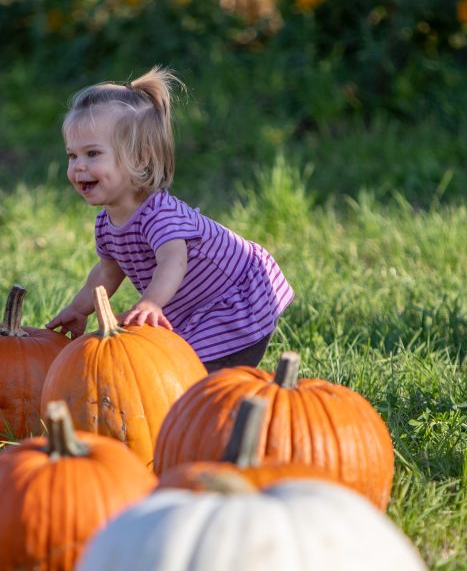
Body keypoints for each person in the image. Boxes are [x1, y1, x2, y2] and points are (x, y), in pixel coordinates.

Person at [46, 66, 294, 373]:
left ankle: (243, 407)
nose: (79, 167)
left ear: (141, 158)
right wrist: (78, 309)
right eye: (73, 156)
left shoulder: (159, 214)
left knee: (190, 374)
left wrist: (150, 303)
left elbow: (173, 260)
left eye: (93, 154)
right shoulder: (106, 223)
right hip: (196, 309)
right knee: (176, 370)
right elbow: (107, 272)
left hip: (234, 300)